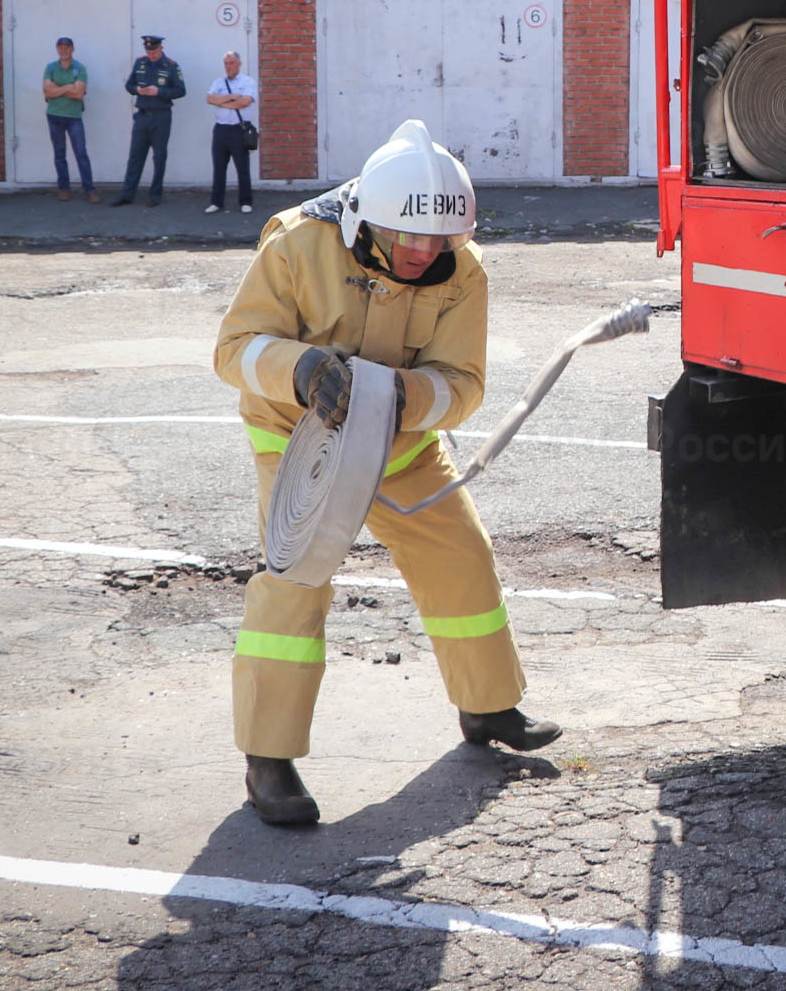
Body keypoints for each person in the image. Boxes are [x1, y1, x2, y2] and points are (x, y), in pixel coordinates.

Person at [213, 119, 560, 826]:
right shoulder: (296, 242)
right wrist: (302, 369)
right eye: (409, 239)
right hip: (295, 437)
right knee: (294, 580)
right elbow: (235, 349)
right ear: (368, 222)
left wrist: (404, 397)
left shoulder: (462, 271)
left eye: (440, 241)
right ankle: (267, 759)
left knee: (461, 555)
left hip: (399, 441)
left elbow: (462, 383)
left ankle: (487, 703)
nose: (423, 253)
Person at [115, 35, 185, 206]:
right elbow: (129, 86)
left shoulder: (171, 66)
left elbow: (181, 90)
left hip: (161, 116)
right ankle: (127, 195)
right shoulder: (140, 63)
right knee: (135, 157)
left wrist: (159, 92)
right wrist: (137, 89)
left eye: (153, 50)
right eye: (148, 50)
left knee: (159, 157)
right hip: (142, 116)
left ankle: (155, 196)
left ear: (161, 48)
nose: (151, 53)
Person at [43, 37, 96, 203]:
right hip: (54, 115)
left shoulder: (80, 68)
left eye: (67, 47)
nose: (63, 50)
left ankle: (89, 189)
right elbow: (47, 92)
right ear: (57, 49)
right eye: (60, 47)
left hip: (73, 117)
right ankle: (64, 189)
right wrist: (68, 87)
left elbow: (79, 94)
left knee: (81, 154)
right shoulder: (50, 67)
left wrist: (56, 88)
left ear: (72, 49)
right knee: (60, 154)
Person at [203, 49, 256, 215]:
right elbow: (210, 99)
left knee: (242, 167)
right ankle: (216, 202)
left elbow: (244, 102)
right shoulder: (218, 82)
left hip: (238, 130)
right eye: (226, 63)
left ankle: (245, 202)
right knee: (218, 167)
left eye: (232, 63)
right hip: (220, 130)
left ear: (239, 64)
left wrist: (222, 102)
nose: (228, 66)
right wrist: (232, 97)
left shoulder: (248, 82)